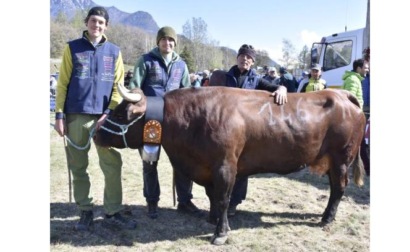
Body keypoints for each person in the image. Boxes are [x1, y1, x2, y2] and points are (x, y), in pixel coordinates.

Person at [54, 6, 137, 231]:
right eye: (93, 21)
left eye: (101, 22)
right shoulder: (72, 48)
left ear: (106, 26)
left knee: (112, 164)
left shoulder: (114, 51)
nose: (96, 25)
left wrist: (108, 112)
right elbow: (62, 84)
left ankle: (112, 211)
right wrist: (59, 115)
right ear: (86, 22)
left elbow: (119, 88)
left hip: (104, 119)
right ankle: (85, 211)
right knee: (79, 166)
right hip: (76, 115)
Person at [129, 26, 203, 219]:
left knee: (183, 162)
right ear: (158, 41)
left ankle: (185, 201)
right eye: (164, 39)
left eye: (171, 40)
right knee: (150, 162)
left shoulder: (182, 65)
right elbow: (134, 87)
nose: (167, 43)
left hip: (175, 125)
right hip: (150, 122)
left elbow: (186, 93)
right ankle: (152, 201)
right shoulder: (145, 60)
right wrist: (138, 96)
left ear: (174, 43)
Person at [218, 44, 288, 217]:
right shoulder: (225, 77)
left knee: (241, 167)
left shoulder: (256, 80)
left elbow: (273, 87)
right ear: (237, 58)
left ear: (253, 62)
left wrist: (282, 88)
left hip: (244, 131)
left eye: (249, 58)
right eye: (242, 56)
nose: (245, 60)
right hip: (224, 128)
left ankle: (234, 202)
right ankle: (219, 198)